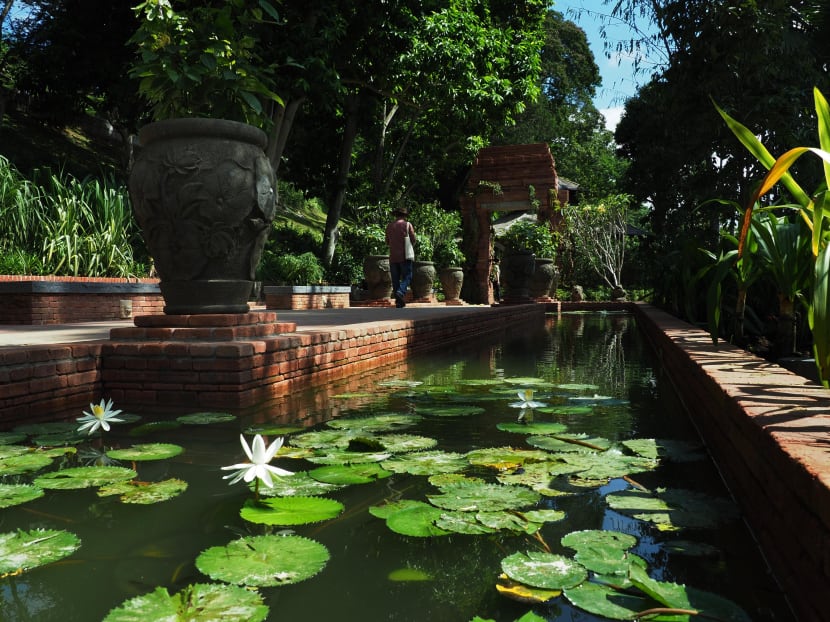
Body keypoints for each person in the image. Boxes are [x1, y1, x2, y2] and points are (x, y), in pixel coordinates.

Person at [385, 207, 417, 308]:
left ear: (396, 215)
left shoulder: (389, 226)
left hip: (393, 257)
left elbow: (387, 242)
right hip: (405, 256)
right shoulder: (407, 225)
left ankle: (399, 302)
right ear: (405, 215)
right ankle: (400, 292)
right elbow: (413, 239)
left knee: (395, 279)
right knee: (408, 276)